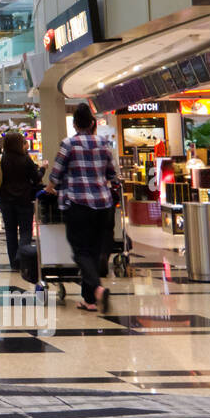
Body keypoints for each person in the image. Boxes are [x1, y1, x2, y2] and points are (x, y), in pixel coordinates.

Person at [46, 102, 121, 313]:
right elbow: (112, 175)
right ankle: (89, 300)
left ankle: (97, 289)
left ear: (75, 124)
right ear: (92, 123)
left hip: (78, 205)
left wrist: (50, 188)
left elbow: (55, 175)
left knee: (81, 251)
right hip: (103, 205)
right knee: (95, 251)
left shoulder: (68, 145)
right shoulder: (104, 143)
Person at [0, 130, 43, 269]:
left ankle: (14, 263)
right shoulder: (25, 159)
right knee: (26, 231)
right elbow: (36, 178)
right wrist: (42, 169)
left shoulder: (1, 159)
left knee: (10, 231)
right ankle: (21, 256)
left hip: (6, 202)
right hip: (24, 200)